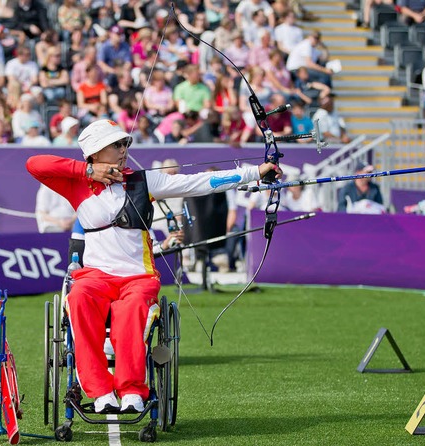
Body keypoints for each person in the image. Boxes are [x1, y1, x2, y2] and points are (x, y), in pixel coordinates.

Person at [26, 119, 281, 414]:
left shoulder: (144, 181)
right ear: (95, 153)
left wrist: (255, 171)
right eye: (116, 145)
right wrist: (86, 171)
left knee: (131, 310)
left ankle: (132, 391)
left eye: (125, 144)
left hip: (138, 277)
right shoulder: (77, 183)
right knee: (79, 299)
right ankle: (100, 392)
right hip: (95, 276)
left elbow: (199, 183)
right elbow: (34, 164)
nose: (124, 150)